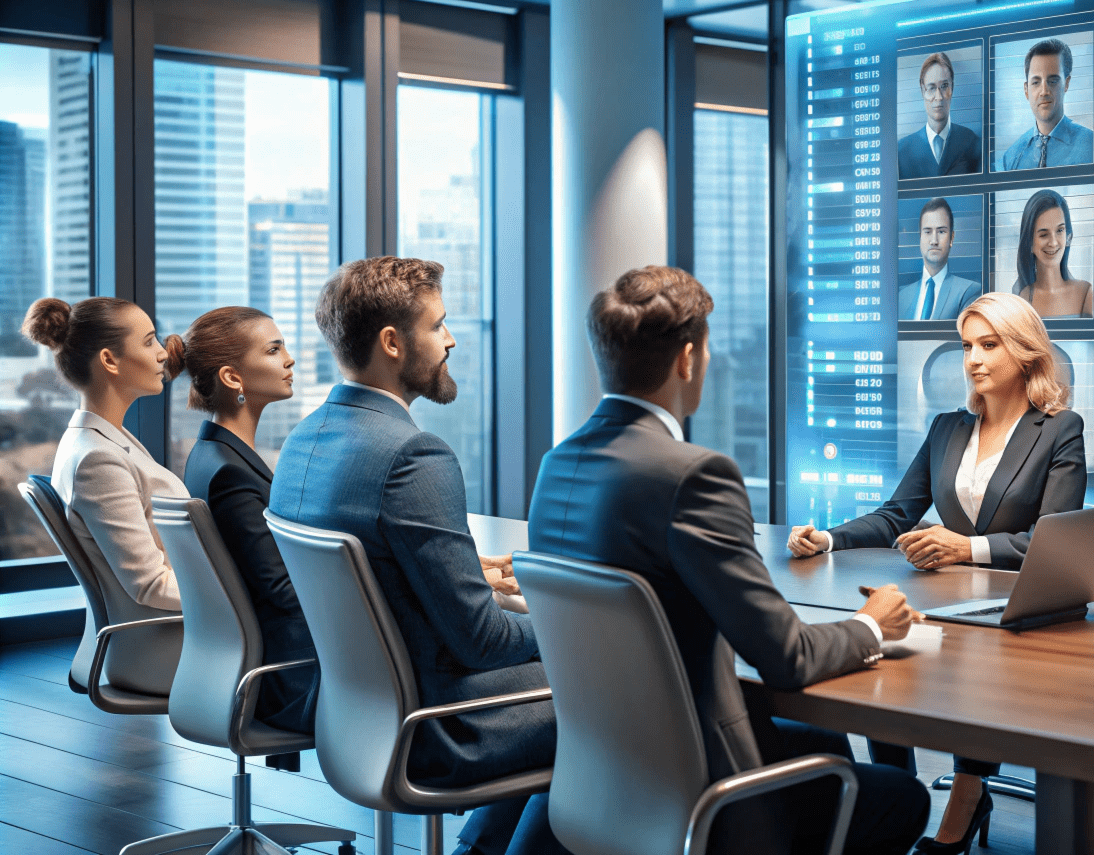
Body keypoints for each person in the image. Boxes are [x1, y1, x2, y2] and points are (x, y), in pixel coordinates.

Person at [526, 266, 929, 855]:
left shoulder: (557, 466)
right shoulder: (693, 475)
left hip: (603, 775)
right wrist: (875, 625)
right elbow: (786, 658)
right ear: (688, 359)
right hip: (707, 793)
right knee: (902, 796)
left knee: (825, 743)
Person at [788, 292, 1094, 854]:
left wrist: (967, 548)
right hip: (945, 602)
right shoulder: (947, 428)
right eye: (968, 346)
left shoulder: (1060, 429)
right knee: (881, 665)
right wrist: (829, 537)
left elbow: (1051, 537)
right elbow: (896, 515)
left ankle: (965, 796)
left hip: (1018, 612)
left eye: (989, 345)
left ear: (1024, 351)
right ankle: (899, 797)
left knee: (976, 666)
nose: (974, 359)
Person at [268, 257, 547, 855]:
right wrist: (573, 627)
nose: (450, 340)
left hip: (351, 715)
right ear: (392, 342)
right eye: (438, 326)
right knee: (613, 692)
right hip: (437, 729)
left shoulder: (301, 439)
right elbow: (482, 642)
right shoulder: (413, 454)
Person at [21, 297, 187, 696]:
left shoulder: (100, 442)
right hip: (165, 651)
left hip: (171, 637)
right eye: (148, 342)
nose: (163, 352)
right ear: (110, 361)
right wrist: (241, 592)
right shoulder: (97, 459)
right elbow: (149, 586)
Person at [176, 306, 317, 735]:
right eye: (274, 350)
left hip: (268, 667)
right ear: (232, 378)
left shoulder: (209, 455)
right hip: (293, 677)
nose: (289, 359)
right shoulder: (230, 473)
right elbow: (282, 591)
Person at [998, 38, 1092, 170]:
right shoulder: (1010, 158)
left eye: (1053, 81)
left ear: (1067, 83)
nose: (1044, 91)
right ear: (1026, 90)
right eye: (1036, 82)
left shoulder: (1092, 146)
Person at [897, 52, 981, 177]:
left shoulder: (972, 142)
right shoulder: (902, 151)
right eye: (931, 88)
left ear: (952, 87)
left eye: (944, 86)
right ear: (922, 90)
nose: (938, 97)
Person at [1012, 189, 1092, 318]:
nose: (1053, 243)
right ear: (1030, 243)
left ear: (1068, 236)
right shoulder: (1021, 300)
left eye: (1060, 230)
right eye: (1044, 234)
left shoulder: (1086, 293)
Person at [899, 198, 982, 322]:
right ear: (920, 237)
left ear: (952, 238)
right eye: (927, 232)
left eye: (941, 231)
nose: (934, 241)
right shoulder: (902, 296)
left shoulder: (968, 291)